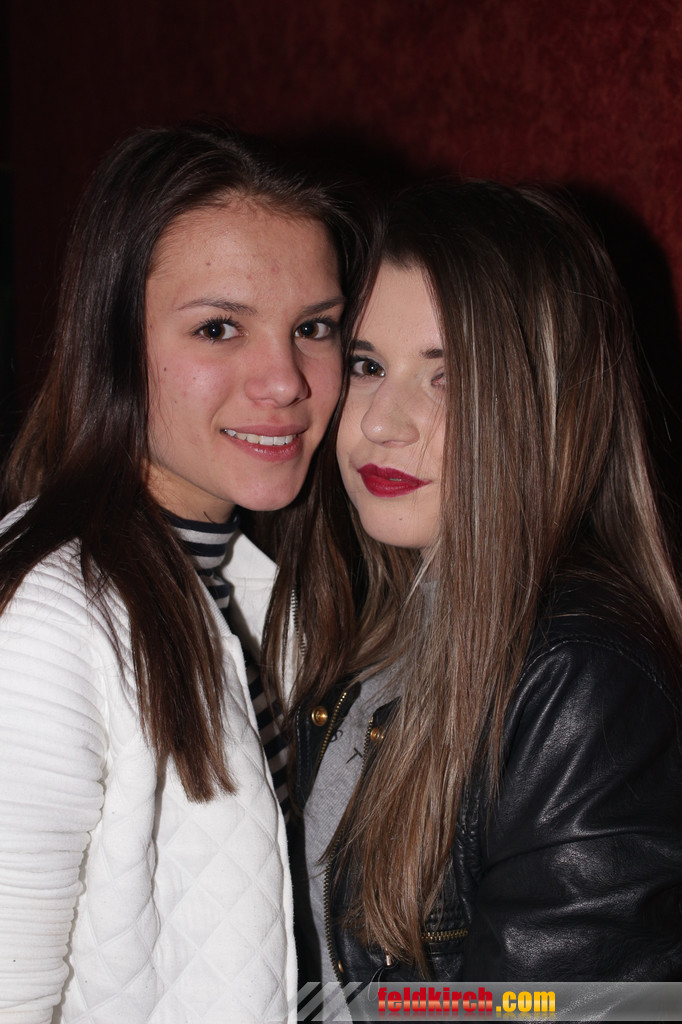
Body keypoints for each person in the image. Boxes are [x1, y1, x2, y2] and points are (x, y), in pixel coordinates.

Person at [265, 181, 682, 993]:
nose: (380, 421)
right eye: (367, 365)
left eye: (447, 377)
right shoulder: (374, 622)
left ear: (548, 404)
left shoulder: (582, 680)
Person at [0, 122, 366, 1022]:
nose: (285, 381)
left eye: (313, 328)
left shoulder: (266, 591)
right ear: (113, 344)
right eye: (218, 328)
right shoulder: (44, 625)